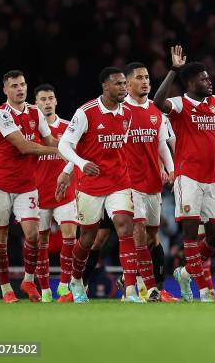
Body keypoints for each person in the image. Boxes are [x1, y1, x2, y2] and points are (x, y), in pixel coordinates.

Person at [152, 44, 215, 302]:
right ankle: (204, 289)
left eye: (209, 77)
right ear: (189, 83)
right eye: (203, 79)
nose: (209, 82)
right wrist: (173, 71)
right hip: (188, 177)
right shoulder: (179, 104)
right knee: (190, 233)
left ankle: (186, 272)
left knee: (214, 236)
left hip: (214, 177)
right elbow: (157, 102)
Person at [56, 67, 146, 303]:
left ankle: (129, 291)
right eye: (118, 84)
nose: (124, 88)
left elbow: (122, 146)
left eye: (125, 84)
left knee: (125, 227)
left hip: (119, 181)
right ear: (105, 87)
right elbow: (65, 145)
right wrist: (77, 164)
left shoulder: (128, 112)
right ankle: (75, 280)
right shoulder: (86, 112)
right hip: (90, 184)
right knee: (87, 238)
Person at [0, 70, 59, 303]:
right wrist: (61, 151)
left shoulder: (36, 112)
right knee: (0, 236)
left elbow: (50, 141)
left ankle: (28, 280)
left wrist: (74, 147)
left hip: (27, 184)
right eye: (14, 85)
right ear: (6, 90)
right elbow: (25, 147)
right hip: (0, 184)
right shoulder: (1, 115)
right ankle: (6, 289)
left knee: (33, 235)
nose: (20, 89)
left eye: (23, 84)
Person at [123, 62, 177, 302]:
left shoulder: (158, 111)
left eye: (147, 77)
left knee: (153, 238)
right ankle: (144, 289)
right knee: (138, 234)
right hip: (128, 183)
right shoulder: (120, 110)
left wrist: (171, 169)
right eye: (139, 77)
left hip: (153, 182)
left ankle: (151, 285)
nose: (145, 81)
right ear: (128, 83)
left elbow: (161, 143)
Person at [33, 84, 78, 303]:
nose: (47, 102)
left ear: (56, 101)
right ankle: (45, 290)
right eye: (42, 99)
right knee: (39, 242)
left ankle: (63, 284)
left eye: (51, 98)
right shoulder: (30, 133)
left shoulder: (70, 128)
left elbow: (77, 158)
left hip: (65, 193)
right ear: (36, 104)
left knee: (70, 237)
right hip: (38, 195)